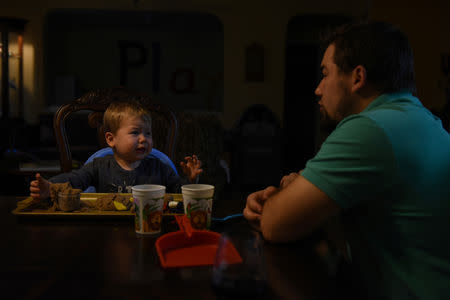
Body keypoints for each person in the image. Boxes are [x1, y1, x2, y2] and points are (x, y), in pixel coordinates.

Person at [244, 21, 450, 299]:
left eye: (325, 74)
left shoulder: (368, 129)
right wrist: (302, 191)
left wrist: (284, 201)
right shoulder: (426, 121)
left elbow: (274, 225)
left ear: (357, 77)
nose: (318, 89)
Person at [30, 100, 203, 199]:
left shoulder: (159, 167)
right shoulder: (99, 166)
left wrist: (191, 180)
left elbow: (180, 194)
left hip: (149, 223)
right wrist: (50, 186)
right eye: (135, 132)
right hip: (109, 227)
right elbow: (74, 180)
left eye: (148, 133)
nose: (144, 139)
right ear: (111, 139)